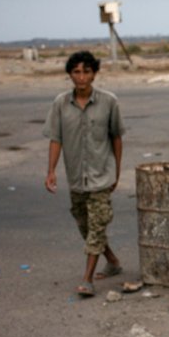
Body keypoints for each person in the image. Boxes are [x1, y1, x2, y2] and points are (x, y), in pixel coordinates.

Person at [43, 51, 125, 298]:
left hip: (102, 176)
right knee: (86, 226)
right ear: (69, 74)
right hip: (77, 177)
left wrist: (117, 171)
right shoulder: (60, 103)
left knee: (97, 225)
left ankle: (87, 280)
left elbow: (117, 138)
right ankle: (112, 261)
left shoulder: (109, 101)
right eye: (76, 72)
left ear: (94, 73)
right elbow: (56, 139)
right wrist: (51, 171)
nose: (82, 77)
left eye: (86, 71)